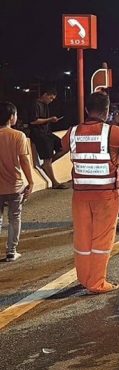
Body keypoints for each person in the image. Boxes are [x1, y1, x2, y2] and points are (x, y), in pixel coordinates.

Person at [61, 92, 119, 294]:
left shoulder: (72, 132)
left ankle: (84, 278)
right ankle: (96, 283)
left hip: (80, 195)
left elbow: (63, 146)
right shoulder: (112, 132)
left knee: (82, 237)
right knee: (102, 239)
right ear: (107, 111)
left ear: (86, 109)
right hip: (106, 195)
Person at [0, 102, 34, 261]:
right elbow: (24, 161)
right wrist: (31, 182)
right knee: (14, 218)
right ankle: (11, 251)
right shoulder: (18, 136)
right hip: (15, 185)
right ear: (11, 117)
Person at [28, 86, 68, 189]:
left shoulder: (45, 105)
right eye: (50, 98)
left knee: (64, 147)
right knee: (47, 157)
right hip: (39, 134)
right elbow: (33, 121)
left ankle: (46, 166)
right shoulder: (35, 104)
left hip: (47, 133)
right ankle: (54, 182)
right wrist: (49, 119)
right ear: (45, 95)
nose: (51, 100)